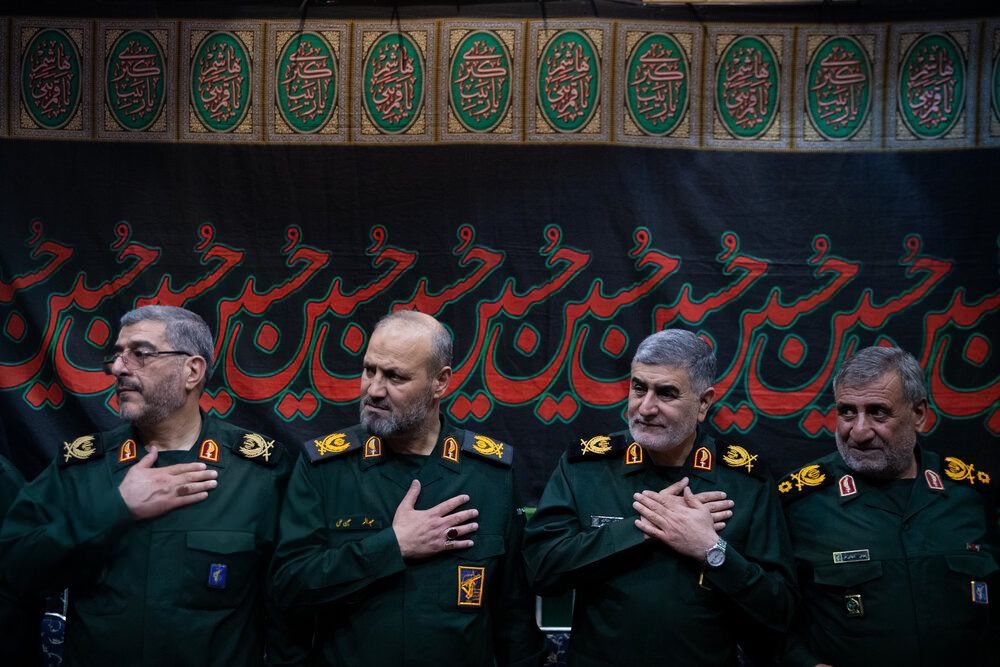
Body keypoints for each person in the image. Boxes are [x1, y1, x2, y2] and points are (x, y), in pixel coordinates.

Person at [0, 305, 299, 667]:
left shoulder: (259, 472)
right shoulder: (82, 467)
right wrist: (116, 508)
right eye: (117, 355)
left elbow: (293, 606)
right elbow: (15, 569)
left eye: (140, 354)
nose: (118, 368)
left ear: (192, 371)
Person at [270, 310, 545, 666]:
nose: (375, 390)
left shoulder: (489, 474)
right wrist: (393, 546)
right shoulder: (324, 468)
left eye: (395, 377)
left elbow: (513, 618)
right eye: (370, 370)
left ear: (440, 382)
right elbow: (288, 587)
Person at [523, 328, 795, 666]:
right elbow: (542, 571)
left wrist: (712, 550)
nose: (646, 407)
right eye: (639, 388)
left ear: (704, 403)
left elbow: (779, 612)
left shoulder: (745, 481)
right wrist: (643, 528)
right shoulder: (586, 468)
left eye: (666, 393)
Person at [778, 346, 998, 666]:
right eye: (847, 412)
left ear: (919, 414)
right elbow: (767, 614)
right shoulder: (800, 503)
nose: (859, 431)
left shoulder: (971, 495)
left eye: (878, 412)